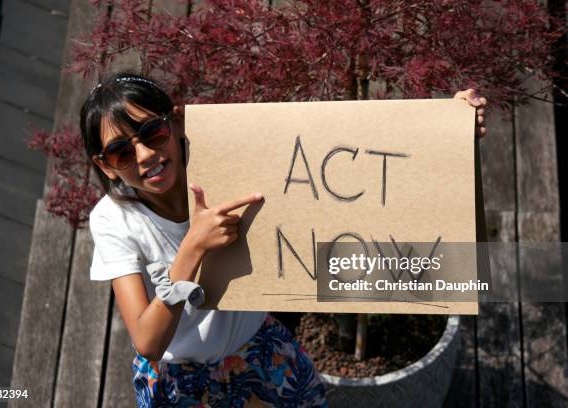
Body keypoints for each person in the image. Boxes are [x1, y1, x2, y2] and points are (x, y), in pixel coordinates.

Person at [82, 72, 486, 408]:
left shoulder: (232, 160)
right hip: (179, 380)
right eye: (121, 151)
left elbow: (347, 160)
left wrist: (445, 131)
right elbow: (148, 341)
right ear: (106, 165)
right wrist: (191, 249)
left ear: (176, 123)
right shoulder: (113, 220)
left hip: (260, 348)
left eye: (152, 132)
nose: (144, 155)